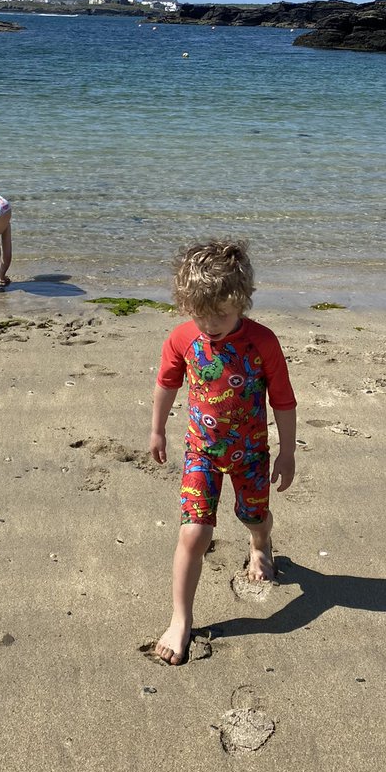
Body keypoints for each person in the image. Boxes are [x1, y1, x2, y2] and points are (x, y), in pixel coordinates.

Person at [149, 239, 298, 665]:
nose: (210, 325)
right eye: (200, 315)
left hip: (251, 452)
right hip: (201, 451)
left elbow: (283, 400)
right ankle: (181, 619)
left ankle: (260, 542)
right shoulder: (182, 338)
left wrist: (287, 452)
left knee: (252, 514)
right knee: (193, 533)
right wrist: (157, 429)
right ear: (185, 305)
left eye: (221, 314)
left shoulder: (262, 342)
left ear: (242, 303)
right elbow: (167, 383)